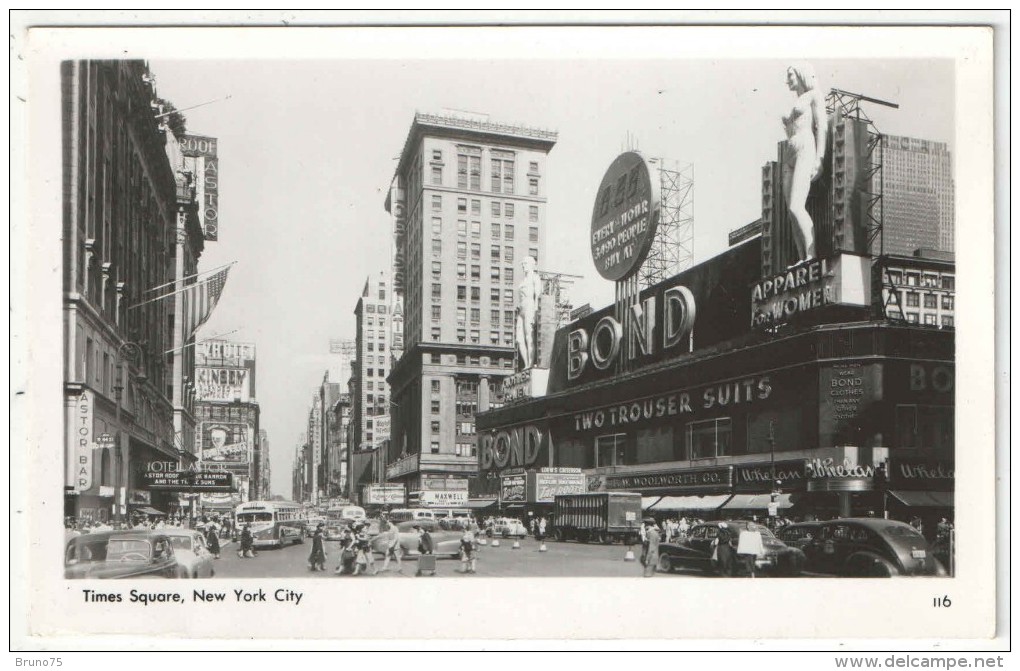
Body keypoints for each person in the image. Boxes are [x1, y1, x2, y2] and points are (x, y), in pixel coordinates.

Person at [781, 62, 827, 264]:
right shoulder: (796, 100)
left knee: (795, 207)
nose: (788, 79)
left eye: (791, 74)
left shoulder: (814, 95)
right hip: (789, 154)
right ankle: (802, 258)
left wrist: (820, 158)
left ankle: (811, 254)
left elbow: (822, 127)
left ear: (801, 74)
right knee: (790, 212)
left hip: (805, 148)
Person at [514, 256, 543, 369]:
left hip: (530, 306)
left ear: (532, 264)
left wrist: (536, 313)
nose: (523, 265)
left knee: (529, 336)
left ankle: (530, 364)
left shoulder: (535, 278)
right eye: (522, 264)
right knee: (519, 339)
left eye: (525, 263)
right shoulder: (523, 281)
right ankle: (526, 364)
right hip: (521, 309)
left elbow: (538, 296)